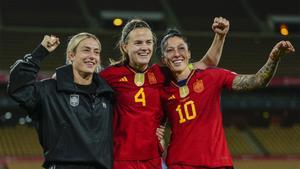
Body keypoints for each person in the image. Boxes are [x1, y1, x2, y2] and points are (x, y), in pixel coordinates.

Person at [99, 17, 229, 169]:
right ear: (124, 46)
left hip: (153, 160)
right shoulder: (109, 75)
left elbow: (206, 64)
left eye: (149, 42)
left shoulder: (162, 74)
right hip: (121, 159)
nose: (144, 47)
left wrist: (220, 36)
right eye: (138, 43)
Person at [159, 29, 295, 169]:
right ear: (163, 58)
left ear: (189, 54)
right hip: (180, 164)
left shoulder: (212, 77)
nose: (176, 54)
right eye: (170, 50)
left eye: (181, 48)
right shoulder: (161, 91)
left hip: (217, 164)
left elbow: (257, 80)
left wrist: (273, 59)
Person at [7, 33, 114, 169]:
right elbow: (18, 87)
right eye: (86, 50)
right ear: (71, 55)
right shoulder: (50, 91)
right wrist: (39, 53)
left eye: (96, 52)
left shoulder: (107, 94)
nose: (92, 56)